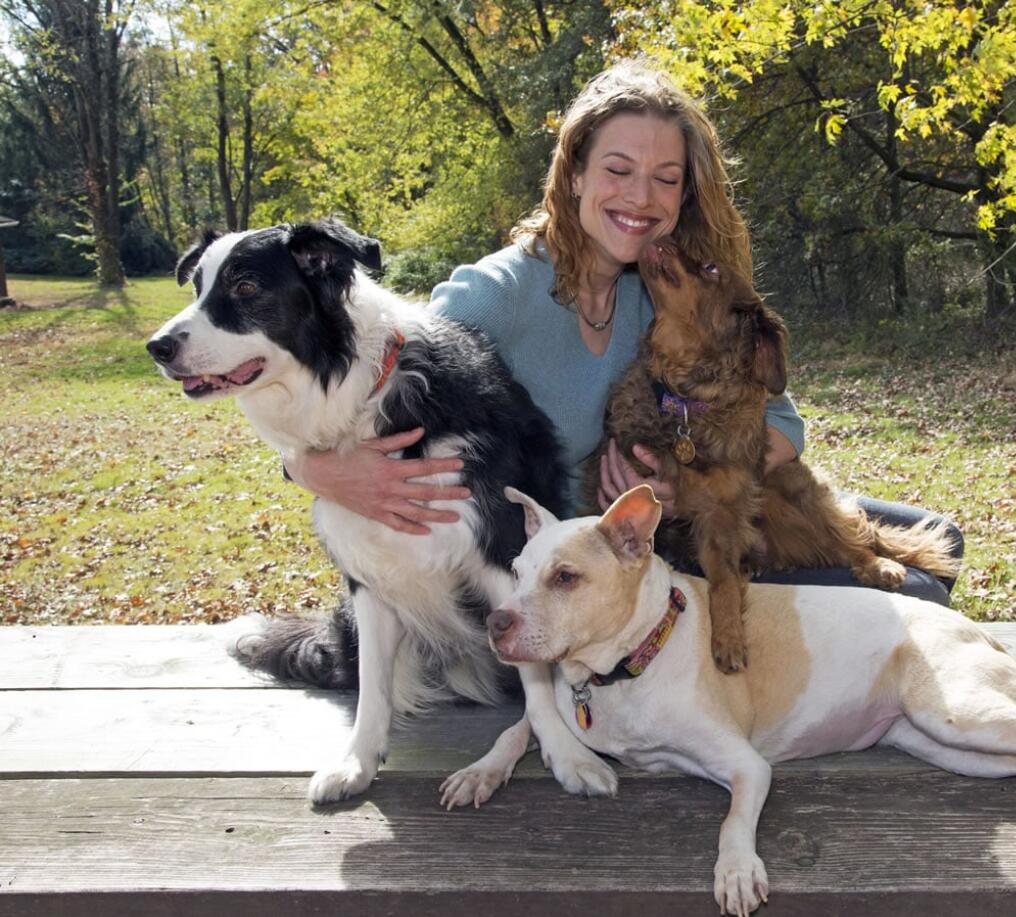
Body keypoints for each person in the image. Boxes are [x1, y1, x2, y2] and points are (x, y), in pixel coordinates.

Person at [284, 63, 962, 605]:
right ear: (574, 172)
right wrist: (310, 467)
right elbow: (365, 385)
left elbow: (782, 424)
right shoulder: (498, 294)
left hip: (685, 527)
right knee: (924, 594)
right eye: (617, 171)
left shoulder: (663, 287)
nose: (641, 198)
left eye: (665, 179)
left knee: (946, 543)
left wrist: (682, 484)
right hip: (571, 576)